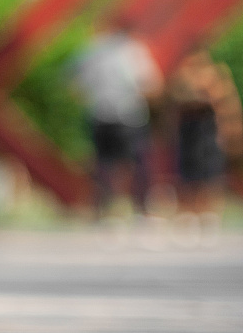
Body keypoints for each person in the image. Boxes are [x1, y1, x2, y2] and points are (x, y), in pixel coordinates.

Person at [72, 27, 163, 218]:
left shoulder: (94, 50)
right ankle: (134, 208)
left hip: (106, 114)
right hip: (127, 115)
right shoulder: (132, 51)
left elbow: (75, 81)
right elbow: (152, 84)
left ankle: (107, 208)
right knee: (130, 164)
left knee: (106, 163)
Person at [167, 49, 242, 237]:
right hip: (189, 127)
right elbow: (173, 102)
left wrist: (231, 128)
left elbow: (226, 103)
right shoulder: (182, 78)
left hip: (208, 126)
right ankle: (189, 212)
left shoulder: (216, 76)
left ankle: (209, 211)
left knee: (211, 169)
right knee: (188, 170)